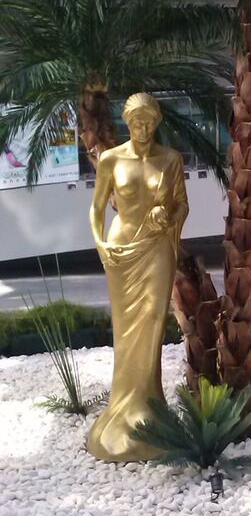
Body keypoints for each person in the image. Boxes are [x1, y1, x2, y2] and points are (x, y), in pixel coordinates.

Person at [87, 93, 188, 463]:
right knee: (125, 329)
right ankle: (122, 410)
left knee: (154, 321)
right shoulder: (111, 159)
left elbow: (182, 203)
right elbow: (97, 208)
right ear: (127, 123)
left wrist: (169, 216)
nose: (143, 129)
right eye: (136, 122)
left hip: (157, 248)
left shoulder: (171, 159)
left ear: (157, 122)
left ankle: (149, 406)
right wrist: (100, 244)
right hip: (120, 251)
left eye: (148, 122)